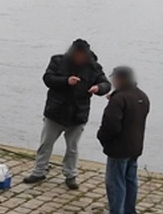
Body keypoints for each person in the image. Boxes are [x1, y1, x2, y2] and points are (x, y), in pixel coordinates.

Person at [23, 39, 111, 189]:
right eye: (77, 54)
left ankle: (70, 175)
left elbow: (106, 85)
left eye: (82, 55)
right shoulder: (57, 61)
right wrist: (66, 81)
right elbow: (48, 79)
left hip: (78, 115)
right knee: (46, 144)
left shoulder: (94, 67)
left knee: (72, 148)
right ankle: (39, 171)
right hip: (55, 112)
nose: (79, 57)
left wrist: (98, 88)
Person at [95, 66, 150, 214]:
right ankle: (129, 211)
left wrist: (101, 137)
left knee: (115, 181)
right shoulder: (142, 96)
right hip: (135, 146)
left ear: (119, 79)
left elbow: (111, 125)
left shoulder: (119, 99)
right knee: (130, 179)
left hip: (119, 148)